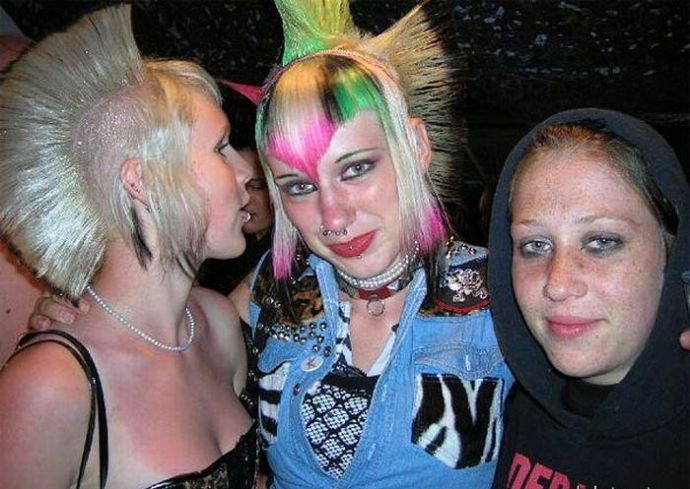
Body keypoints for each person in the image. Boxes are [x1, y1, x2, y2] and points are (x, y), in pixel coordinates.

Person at [0, 5, 258, 488]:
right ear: (143, 181)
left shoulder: (218, 324)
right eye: (221, 148)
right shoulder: (52, 384)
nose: (247, 171)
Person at [487, 108, 690, 487]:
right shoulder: (503, 412)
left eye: (602, 242)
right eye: (535, 245)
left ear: (674, 252)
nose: (558, 284)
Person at [198, 83, 273, 296]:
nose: (244, 197)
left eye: (256, 185)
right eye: (233, 183)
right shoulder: (217, 251)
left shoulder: (285, 262)